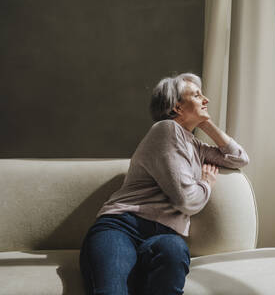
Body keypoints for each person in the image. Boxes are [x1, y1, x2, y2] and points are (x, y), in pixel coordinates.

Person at [79, 72, 249, 295]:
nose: (206, 100)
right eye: (197, 96)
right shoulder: (166, 130)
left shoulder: (196, 146)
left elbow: (239, 158)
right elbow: (186, 200)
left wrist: (207, 124)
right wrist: (206, 183)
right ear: (177, 107)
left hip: (164, 237)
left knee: (175, 248)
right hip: (122, 227)